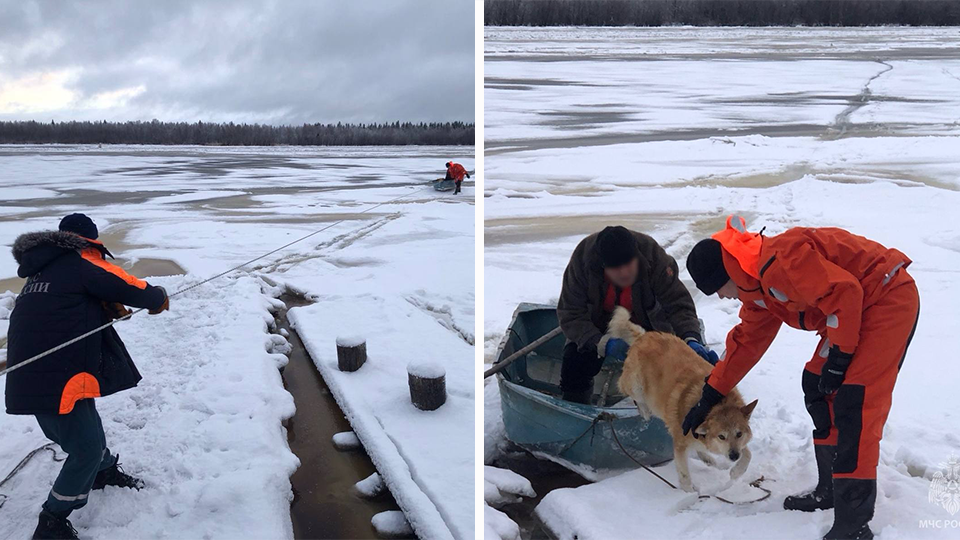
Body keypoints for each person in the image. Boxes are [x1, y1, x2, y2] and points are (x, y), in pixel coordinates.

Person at [683, 215, 919, 540]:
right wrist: (709, 396)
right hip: (852, 313)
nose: (722, 297)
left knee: (854, 401)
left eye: (718, 289)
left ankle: (853, 524)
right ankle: (830, 489)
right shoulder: (757, 290)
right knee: (817, 384)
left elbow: (845, 292)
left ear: (728, 272)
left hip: (886, 297)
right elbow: (746, 344)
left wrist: (841, 356)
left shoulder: (782, 261)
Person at [5, 214, 170, 540]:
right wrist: (158, 297)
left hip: (37, 374)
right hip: (56, 373)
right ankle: (52, 520)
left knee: (86, 425)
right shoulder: (80, 262)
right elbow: (133, 287)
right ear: (88, 241)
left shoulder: (41, 271)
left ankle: (102, 472)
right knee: (85, 450)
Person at [557, 225, 718, 404]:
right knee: (574, 362)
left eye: (628, 264)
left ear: (638, 257)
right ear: (603, 267)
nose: (624, 272)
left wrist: (691, 338)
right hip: (598, 326)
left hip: (648, 325)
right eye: (616, 269)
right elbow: (570, 312)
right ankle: (576, 406)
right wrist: (603, 343)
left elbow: (678, 305)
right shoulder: (583, 260)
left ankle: (654, 407)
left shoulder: (654, 257)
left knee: (662, 371)